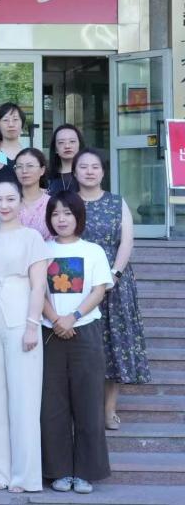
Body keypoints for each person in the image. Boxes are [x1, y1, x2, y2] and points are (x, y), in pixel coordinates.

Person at [0, 179, 50, 493]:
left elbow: (39, 284)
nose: (4, 205)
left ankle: (25, 475)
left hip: (22, 319)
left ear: (21, 202)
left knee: (24, 398)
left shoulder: (32, 237)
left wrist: (33, 324)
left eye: (10, 199)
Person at [41, 191, 113, 495]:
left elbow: (99, 290)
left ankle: (86, 473)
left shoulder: (93, 250)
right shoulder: (41, 249)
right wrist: (56, 319)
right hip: (50, 332)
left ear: (78, 216)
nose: (61, 219)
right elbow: (36, 291)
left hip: (85, 331)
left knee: (88, 402)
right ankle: (58, 471)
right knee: (52, 405)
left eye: (68, 213)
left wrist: (72, 317)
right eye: (55, 213)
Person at [73, 148, 150, 429]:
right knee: (83, 348)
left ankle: (108, 410)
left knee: (113, 348)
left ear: (103, 172)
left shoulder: (117, 202)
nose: (89, 171)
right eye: (84, 167)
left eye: (95, 167)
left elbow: (126, 241)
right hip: (78, 284)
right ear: (75, 172)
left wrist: (114, 274)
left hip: (115, 285)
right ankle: (84, 411)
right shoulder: (69, 203)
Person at [15, 147, 53, 240]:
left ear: (42, 170)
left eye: (30, 166)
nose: (24, 171)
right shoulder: (10, 202)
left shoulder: (51, 203)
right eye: (19, 166)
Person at [48, 124, 84, 194]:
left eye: (72, 141)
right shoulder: (47, 177)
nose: (67, 146)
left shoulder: (88, 173)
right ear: (55, 149)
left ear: (79, 145)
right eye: (61, 142)